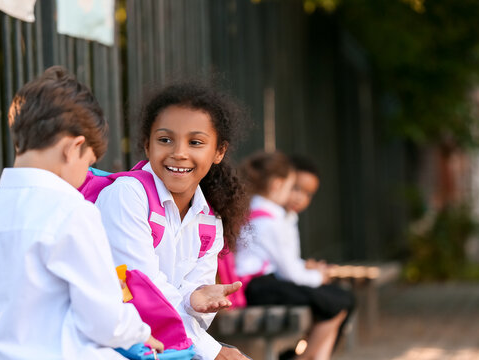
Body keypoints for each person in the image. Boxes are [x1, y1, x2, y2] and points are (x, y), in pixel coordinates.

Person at [0, 66, 163, 360]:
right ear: (73, 148)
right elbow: (103, 318)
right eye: (88, 163)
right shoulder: (72, 212)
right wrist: (141, 332)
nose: (84, 177)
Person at [95, 82, 250, 360]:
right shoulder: (126, 196)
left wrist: (193, 298)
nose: (179, 152)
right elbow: (141, 291)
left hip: (164, 348)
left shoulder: (209, 220)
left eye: (196, 142)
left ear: (219, 151)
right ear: (147, 144)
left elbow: (191, 313)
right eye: (165, 139)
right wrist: (214, 352)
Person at [235, 151, 355, 360]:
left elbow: (285, 264)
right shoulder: (269, 222)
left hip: (264, 284)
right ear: (276, 185)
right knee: (336, 303)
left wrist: (311, 271)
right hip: (260, 287)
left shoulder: (264, 214)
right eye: (292, 187)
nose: (296, 196)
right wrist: (319, 277)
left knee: (339, 301)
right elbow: (290, 273)